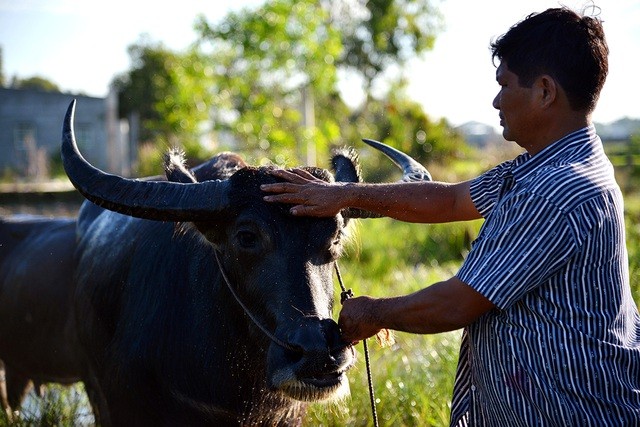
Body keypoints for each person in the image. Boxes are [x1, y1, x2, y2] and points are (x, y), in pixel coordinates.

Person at [262, 6, 640, 426]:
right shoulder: (548, 166)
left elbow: (457, 304)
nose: (496, 101)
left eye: (505, 85)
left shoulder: (555, 189)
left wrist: (373, 314)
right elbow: (451, 200)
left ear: (545, 92)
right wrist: (341, 195)